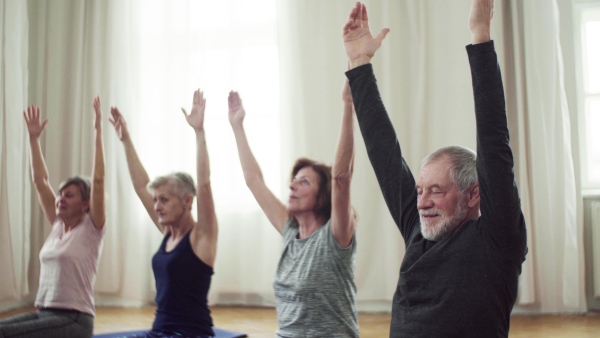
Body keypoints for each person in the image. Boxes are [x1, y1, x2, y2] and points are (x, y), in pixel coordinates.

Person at [342, 1, 527, 337]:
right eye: (420, 191)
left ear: (473, 194)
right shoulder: (419, 229)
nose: (422, 201)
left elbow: (494, 141)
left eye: (437, 191)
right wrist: (359, 63)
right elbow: (385, 154)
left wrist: (480, 34)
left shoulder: (497, 239)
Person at [227, 80, 358, 338]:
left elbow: (341, 177)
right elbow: (254, 180)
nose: (292, 186)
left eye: (304, 181)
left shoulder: (335, 236)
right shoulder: (290, 231)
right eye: (293, 180)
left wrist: (348, 105)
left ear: (323, 195)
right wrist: (237, 126)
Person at [109, 90, 218, 338]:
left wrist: (199, 132)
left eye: (164, 200)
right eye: (156, 200)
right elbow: (141, 186)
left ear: (187, 201)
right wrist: (125, 139)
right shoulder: (168, 233)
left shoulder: (202, 237)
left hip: (191, 334)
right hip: (159, 332)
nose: (157, 205)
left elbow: (204, 183)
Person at [0, 97, 107, 338]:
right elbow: (41, 182)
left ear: (86, 204)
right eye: (60, 195)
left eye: (69, 196)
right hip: (44, 313)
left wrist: (97, 131)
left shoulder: (92, 228)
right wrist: (33, 139)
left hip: (74, 319)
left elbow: (98, 180)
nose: (60, 199)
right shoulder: (59, 226)